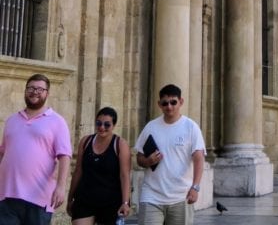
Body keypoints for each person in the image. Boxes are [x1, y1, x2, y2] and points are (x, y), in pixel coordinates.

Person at [0, 73, 72, 225]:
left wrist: (60, 187)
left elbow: (64, 156)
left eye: (40, 89)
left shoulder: (57, 121)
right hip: (7, 195)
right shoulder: (12, 120)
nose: (35, 92)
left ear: (47, 93)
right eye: (31, 88)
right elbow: (3, 153)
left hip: (39, 198)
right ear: (25, 91)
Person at [135, 84, 205, 225]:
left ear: (181, 102)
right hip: (151, 196)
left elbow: (199, 158)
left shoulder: (191, 127)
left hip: (181, 197)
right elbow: (139, 157)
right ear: (159, 104)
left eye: (173, 102)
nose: (169, 107)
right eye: (165, 103)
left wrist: (195, 187)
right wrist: (148, 161)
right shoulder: (151, 127)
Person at [68, 107, 131, 225]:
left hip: (110, 201)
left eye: (107, 125)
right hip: (85, 198)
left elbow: (124, 175)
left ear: (114, 125)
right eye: (99, 123)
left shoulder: (120, 145)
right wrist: (70, 198)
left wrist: (125, 202)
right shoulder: (85, 141)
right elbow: (78, 171)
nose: (102, 127)